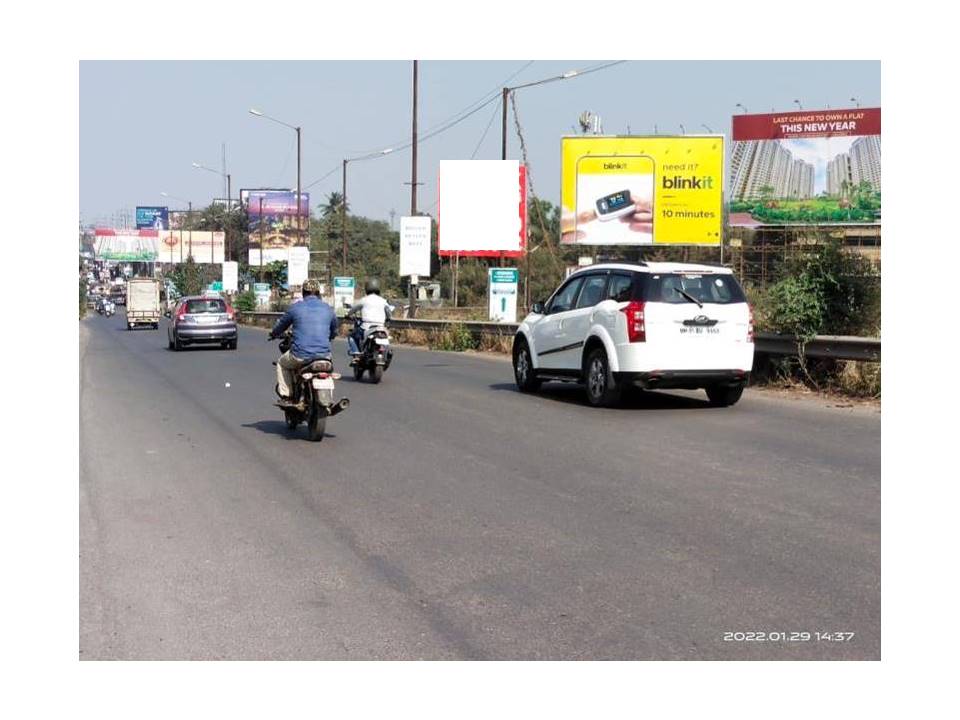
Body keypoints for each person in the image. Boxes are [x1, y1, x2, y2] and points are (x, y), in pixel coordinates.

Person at [268, 278, 338, 404]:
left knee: (281, 364)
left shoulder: (295, 308)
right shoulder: (329, 309)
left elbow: (281, 325)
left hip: (300, 355)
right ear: (318, 293)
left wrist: (273, 334)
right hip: (325, 356)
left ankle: (287, 396)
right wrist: (330, 337)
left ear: (303, 292)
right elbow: (334, 331)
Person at [346, 278, 393, 360]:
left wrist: (348, 314)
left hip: (366, 327)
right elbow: (389, 313)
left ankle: (357, 355)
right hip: (381, 327)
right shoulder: (383, 301)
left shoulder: (363, 300)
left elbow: (353, 309)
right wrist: (388, 320)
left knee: (352, 336)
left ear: (367, 288)